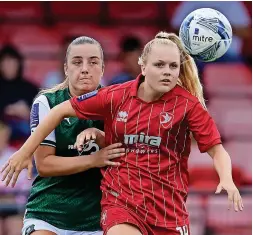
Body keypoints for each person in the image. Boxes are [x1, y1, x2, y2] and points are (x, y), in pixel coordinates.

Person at [1, 32, 243, 235]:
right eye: (159, 65)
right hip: (119, 205)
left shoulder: (188, 106)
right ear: (142, 65)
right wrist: (25, 150)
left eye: (173, 66)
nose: (167, 71)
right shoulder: (114, 97)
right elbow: (59, 114)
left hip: (168, 210)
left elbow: (217, 150)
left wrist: (226, 178)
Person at [1, 36, 125, 235]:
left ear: (103, 69)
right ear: (66, 69)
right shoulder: (46, 102)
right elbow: (45, 165)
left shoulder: (117, 105)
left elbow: (124, 156)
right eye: (77, 62)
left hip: (97, 219)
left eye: (93, 62)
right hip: (48, 213)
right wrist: (94, 159)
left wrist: (100, 136)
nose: (85, 68)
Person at [0, 45, 39, 141]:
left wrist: (27, 113)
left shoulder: (30, 88)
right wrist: (7, 110)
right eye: (5, 62)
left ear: (19, 64)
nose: (8, 65)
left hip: (26, 128)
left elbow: (42, 113)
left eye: (12, 61)